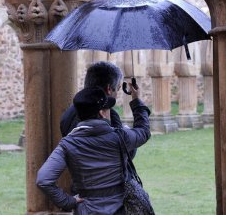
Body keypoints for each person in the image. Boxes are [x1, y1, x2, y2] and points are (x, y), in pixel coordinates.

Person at [36, 84, 151, 214]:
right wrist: (136, 100)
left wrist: (68, 202)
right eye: (108, 108)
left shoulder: (67, 144)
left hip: (87, 210)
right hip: (119, 209)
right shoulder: (120, 136)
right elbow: (143, 131)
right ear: (102, 113)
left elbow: (43, 179)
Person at [60, 61, 124, 137]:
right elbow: (124, 144)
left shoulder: (69, 112)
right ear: (109, 89)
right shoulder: (108, 114)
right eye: (118, 89)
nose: (116, 95)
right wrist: (136, 101)